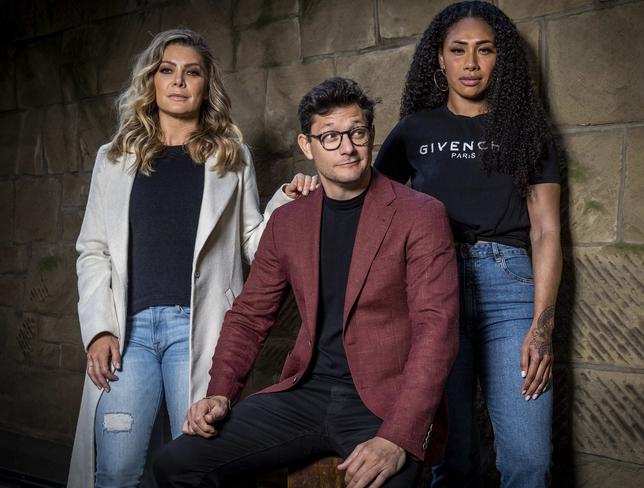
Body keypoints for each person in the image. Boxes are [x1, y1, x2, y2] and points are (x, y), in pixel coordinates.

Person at [152, 77, 459, 488]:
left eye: (357, 133)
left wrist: (397, 436)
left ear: (370, 135)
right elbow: (249, 316)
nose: (347, 147)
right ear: (306, 145)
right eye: (330, 137)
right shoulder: (288, 221)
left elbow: (436, 331)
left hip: (384, 401)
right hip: (304, 394)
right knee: (175, 464)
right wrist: (220, 391)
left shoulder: (420, 214)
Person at [67, 29, 318, 488]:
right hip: (129, 336)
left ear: (206, 85)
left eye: (192, 72)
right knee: (116, 471)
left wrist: (285, 203)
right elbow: (93, 249)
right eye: (167, 70)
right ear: (152, 81)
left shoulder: (231, 157)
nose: (179, 81)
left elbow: (253, 246)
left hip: (200, 330)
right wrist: (99, 328)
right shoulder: (114, 158)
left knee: (195, 464)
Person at [374, 2, 562, 487]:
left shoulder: (526, 130)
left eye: (484, 50)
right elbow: (366, 203)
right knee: (450, 459)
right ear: (440, 58)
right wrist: (304, 187)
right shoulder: (415, 130)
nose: (471, 63)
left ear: (502, 58)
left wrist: (542, 326)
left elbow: (545, 230)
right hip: (435, 290)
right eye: (458, 51)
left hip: (512, 290)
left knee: (528, 460)